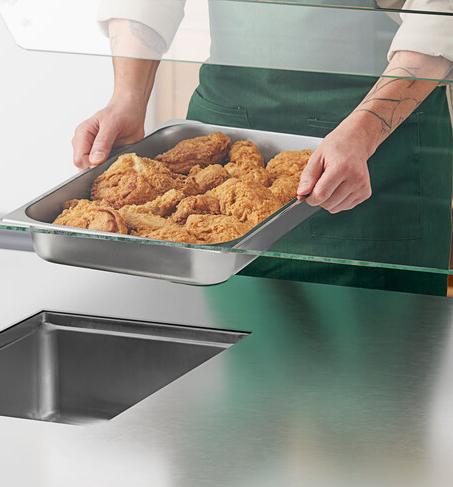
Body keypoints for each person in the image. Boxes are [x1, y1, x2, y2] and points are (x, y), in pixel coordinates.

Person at [72, 1, 453, 295]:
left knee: (374, 377)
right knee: (219, 372)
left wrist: (363, 132)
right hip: (224, 127)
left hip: (376, 149)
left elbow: (439, 14)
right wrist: (127, 98)